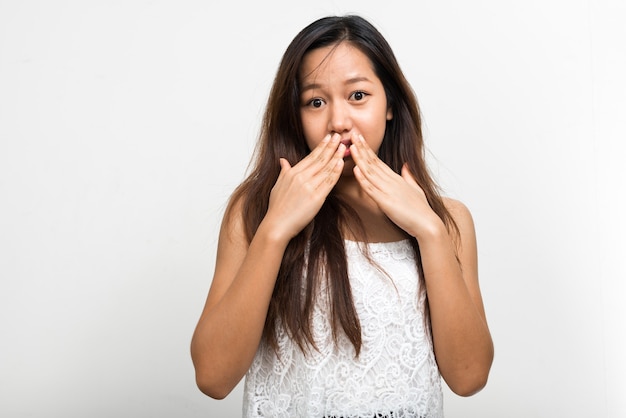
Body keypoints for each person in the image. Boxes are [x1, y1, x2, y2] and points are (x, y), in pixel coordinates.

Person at [190, 15, 494, 418]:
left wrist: (429, 232)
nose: (338, 122)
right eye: (316, 102)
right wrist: (276, 228)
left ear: (390, 105)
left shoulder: (448, 221)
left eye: (358, 96)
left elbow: (469, 377)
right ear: (295, 115)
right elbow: (213, 377)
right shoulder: (254, 210)